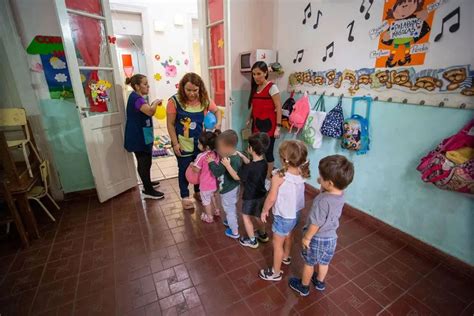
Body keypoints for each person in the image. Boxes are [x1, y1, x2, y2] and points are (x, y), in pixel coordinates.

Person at [289, 155, 354, 296]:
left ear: (329, 183)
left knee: (309, 263)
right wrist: (323, 183)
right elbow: (328, 192)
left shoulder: (321, 201)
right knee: (324, 262)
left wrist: (307, 238)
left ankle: (304, 287)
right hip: (331, 238)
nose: (320, 178)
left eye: (321, 177)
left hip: (317, 238)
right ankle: (319, 282)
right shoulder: (341, 194)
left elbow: (316, 224)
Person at [167, 73, 222, 209]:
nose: (192, 93)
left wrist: (218, 124)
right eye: (188, 90)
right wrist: (175, 143)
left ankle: (198, 191)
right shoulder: (174, 101)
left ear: (200, 89)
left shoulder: (204, 100)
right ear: (182, 88)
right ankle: (185, 196)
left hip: (200, 143)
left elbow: (217, 112)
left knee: (200, 168)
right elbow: (170, 124)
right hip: (182, 143)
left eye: (195, 90)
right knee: (184, 169)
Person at [259, 140, 310, 281]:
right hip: (296, 213)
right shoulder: (301, 172)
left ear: (283, 159)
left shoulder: (279, 176)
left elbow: (271, 198)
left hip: (284, 216)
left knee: (277, 243)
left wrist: (264, 210)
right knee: (289, 234)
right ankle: (286, 257)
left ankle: (275, 272)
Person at [223, 132, 270, 248]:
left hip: (250, 197)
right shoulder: (264, 163)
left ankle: (252, 240)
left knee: (246, 216)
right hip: (261, 194)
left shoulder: (248, 168)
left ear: (252, 149)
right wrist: (243, 156)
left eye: (248, 145)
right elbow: (253, 163)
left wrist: (227, 165)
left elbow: (236, 177)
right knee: (258, 216)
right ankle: (263, 234)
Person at [124, 74, 165, 200]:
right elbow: (150, 111)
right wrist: (155, 102)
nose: (148, 86)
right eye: (145, 84)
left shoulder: (138, 97)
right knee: (143, 161)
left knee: (147, 160)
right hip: (138, 136)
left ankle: (148, 183)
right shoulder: (136, 98)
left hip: (143, 134)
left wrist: (152, 103)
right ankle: (148, 190)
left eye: (147, 83)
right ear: (137, 86)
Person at [247, 61, 283, 178]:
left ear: (265, 73)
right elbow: (253, 105)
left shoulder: (272, 87)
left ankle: (268, 177)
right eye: (253, 74)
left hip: (270, 127)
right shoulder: (255, 87)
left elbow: (278, 107)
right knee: (256, 151)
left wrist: (278, 127)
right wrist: (249, 119)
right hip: (256, 125)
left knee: (268, 152)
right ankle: (258, 172)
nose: (256, 77)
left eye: (258, 74)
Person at [208, 130, 242, 239]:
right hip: (235, 187)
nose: (218, 151)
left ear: (227, 147)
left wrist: (211, 162)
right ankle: (230, 220)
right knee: (231, 206)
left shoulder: (227, 160)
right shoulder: (237, 155)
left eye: (219, 148)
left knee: (229, 208)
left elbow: (217, 172)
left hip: (228, 190)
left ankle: (234, 231)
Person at [192, 130, 221, 223]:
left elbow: (196, 169)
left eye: (199, 144)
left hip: (205, 185)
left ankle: (209, 217)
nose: (198, 145)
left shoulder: (201, 156)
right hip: (214, 183)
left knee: (206, 201)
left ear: (207, 147)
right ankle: (217, 211)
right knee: (213, 196)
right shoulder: (216, 154)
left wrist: (191, 165)